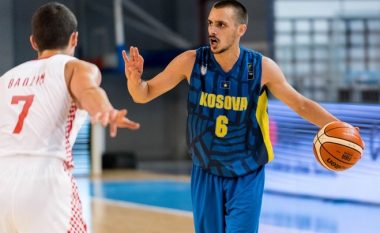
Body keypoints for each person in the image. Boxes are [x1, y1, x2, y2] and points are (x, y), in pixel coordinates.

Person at [123, 0, 338, 232]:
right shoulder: (191, 61)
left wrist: (336, 125)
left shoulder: (261, 67)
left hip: (246, 171)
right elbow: (143, 95)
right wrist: (134, 81)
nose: (212, 31)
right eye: (210, 23)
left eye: (221, 25)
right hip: (206, 170)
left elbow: (301, 104)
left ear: (240, 30)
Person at [0, 2, 140, 233]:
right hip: (44, 181)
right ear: (74, 39)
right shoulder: (75, 68)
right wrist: (106, 111)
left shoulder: (6, 79)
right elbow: (89, 92)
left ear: (33, 41)